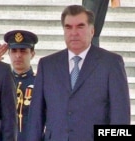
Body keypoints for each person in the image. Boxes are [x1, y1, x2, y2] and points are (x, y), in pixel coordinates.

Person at [26, 5, 130, 141]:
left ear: (92, 31)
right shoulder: (47, 65)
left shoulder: (111, 63)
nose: (74, 33)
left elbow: (120, 115)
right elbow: (36, 118)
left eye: (80, 26)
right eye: (68, 27)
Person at [3, 30, 38, 141]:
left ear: (32, 54)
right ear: (8, 53)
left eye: (23, 51)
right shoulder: (2, 82)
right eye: (14, 51)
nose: (18, 55)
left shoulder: (40, 82)